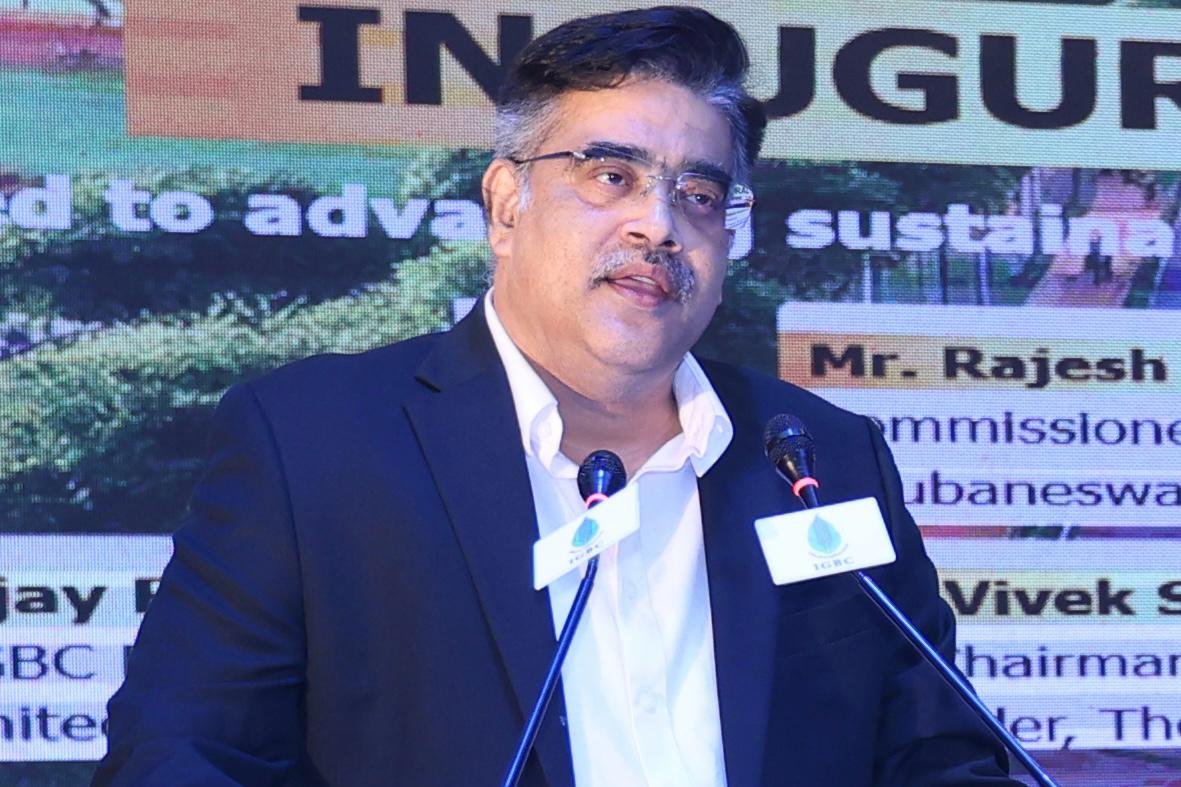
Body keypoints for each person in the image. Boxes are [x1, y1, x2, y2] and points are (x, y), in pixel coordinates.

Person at [96, 7, 1021, 786]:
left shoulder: (821, 455)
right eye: (611, 176)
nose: (658, 224)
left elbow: (941, 755)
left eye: (700, 194)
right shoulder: (314, 443)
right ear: (506, 205)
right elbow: (180, 756)